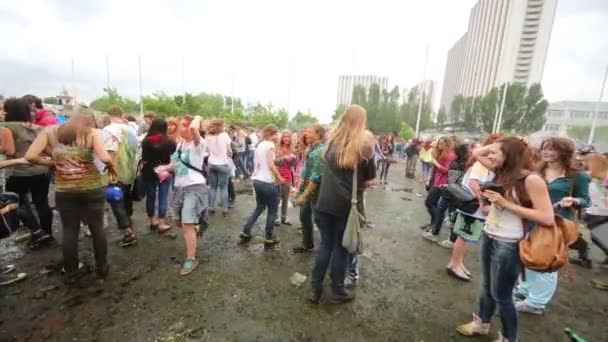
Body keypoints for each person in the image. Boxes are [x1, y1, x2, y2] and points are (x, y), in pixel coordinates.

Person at [456, 137, 555, 342]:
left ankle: (510, 338)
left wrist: (505, 203)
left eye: (496, 152)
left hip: (510, 244)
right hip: (490, 235)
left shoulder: (531, 180)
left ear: (509, 155)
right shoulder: (501, 174)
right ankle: (482, 323)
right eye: (491, 152)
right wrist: (499, 143)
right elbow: (476, 153)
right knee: (486, 287)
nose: (490, 155)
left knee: (502, 295)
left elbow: (547, 217)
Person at [25, 113, 113, 284]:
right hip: (91, 188)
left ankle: (72, 271)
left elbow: (30, 156)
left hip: (65, 190)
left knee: (70, 230)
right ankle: (102, 266)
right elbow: (104, 157)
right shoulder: (92, 133)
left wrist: (52, 163)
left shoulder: (51, 132)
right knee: (97, 228)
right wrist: (110, 164)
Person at [514, 137, 589, 315]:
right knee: (528, 255)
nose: (546, 152)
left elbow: (586, 200)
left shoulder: (578, 177)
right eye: (544, 148)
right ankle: (524, 290)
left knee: (548, 262)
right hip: (531, 219)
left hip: (556, 224)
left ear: (564, 152)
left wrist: (574, 200)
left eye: (551, 149)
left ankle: (536, 303)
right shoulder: (537, 171)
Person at [309, 105, 376, 304]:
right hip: (346, 207)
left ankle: (315, 288)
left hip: (324, 203)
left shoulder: (331, 142)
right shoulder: (364, 148)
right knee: (341, 249)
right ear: (361, 122)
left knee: (325, 246)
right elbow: (367, 180)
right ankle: (337, 291)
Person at [443, 134, 503, 282]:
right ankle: (454, 264)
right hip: (473, 206)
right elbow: (474, 183)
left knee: (466, 238)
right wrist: (483, 203)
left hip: (475, 207)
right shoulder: (482, 164)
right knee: (463, 237)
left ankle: (458, 263)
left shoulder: (487, 163)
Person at [0, 97, 54, 248]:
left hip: (18, 172)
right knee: (42, 202)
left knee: (16, 203)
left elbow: (9, 150)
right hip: (41, 169)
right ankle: (47, 232)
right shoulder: (36, 127)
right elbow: (48, 150)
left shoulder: (5, 127)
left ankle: (37, 233)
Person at [171, 116, 208, 276]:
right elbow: (175, 164)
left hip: (195, 187)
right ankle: (199, 225)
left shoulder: (199, 144)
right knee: (180, 222)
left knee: (186, 223)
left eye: (186, 125)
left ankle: (191, 258)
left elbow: (194, 129)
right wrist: (164, 169)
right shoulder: (180, 145)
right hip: (179, 188)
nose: (183, 127)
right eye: (181, 125)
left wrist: (198, 118)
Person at [239, 124, 285, 248]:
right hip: (267, 182)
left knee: (259, 207)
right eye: (276, 134)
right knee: (272, 211)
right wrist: (279, 177)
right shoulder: (270, 145)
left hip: (257, 180)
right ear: (272, 133)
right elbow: (270, 164)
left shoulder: (260, 145)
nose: (278, 136)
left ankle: (246, 231)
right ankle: (269, 237)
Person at [102, 105, 138, 247]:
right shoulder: (131, 130)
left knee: (116, 201)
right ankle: (129, 223)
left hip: (116, 172)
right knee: (126, 199)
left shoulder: (108, 130)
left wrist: (111, 173)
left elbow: (110, 153)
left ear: (109, 115)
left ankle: (128, 233)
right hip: (130, 171)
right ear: (121, 114)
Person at [423, 143, 468, 242]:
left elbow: (452, 178)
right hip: (453, 190)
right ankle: (438, 232)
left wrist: (448, 186)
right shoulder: (463, 162)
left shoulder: (456, 162)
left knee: (449, 213)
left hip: (450, 191)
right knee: (446, 211)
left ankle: (449, 238)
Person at [570, 153, 608, 268]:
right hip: (595, 212)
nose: (583, 164)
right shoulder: (591, 177)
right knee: (598, 237)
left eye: (586, 162)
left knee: (599, 237)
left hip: (601, 213)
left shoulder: (604, 178)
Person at [141, 118, 176, 233]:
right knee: (163, 196)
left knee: (150, 196)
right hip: (164, 171)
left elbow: (144, 158)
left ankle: (152, 220)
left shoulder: (146, 141)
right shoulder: (170, 142)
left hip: (149, 170)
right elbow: (173, 156)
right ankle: (162, 222)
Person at [293, 124, 325, 253]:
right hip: (306, 186)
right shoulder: (309, 149)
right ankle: (307, 244)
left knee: (319, 220)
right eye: (305, 131)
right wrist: (299, 185)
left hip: (315, 190)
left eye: (309, 132)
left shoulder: (319, 152)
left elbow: (316, 177)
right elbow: (305, 169)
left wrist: (304, 194)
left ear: (318, 135)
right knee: (304, 216)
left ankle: (327, 247)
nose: (306, 134)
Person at [420, 136, 455, 231]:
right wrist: (429, 179)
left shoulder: (450, 155)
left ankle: (436, 223)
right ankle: (433, 223)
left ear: (447, 144)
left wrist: (436, 163)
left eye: (442, 144)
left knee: (429, 203)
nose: (440, 145)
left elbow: (447, 171)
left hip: (441, 183)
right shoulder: (441, 152)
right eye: (439, 143)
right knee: (432, 203)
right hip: (435, 180)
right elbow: (433, 168)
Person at [206, 119, 232, 216]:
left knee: (212, 187)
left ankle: (211, 207)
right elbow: (230, 151)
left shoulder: (208, 136)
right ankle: (224, 209)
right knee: (223, 188)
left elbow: (207, 151)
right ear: (220, 126)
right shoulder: (225, 135)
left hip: (211, 164)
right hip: (223, 164)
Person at [275, 130, 296, 226]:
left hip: (288, 176)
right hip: (277, 175)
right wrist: (284, 158)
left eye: (288, 137)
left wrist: (293, 159)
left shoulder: (292, 149)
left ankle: (284, 217)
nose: (287, 139)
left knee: (285, 198)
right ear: (282, 138)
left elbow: (293, 165)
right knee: (277, 198)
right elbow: (274, 162)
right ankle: (276, 217)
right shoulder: (277, 148)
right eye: (285, 137)